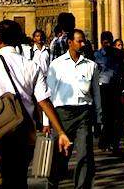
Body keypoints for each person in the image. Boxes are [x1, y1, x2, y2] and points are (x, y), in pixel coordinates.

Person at [0, 18, 71, 189]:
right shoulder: (31, 66)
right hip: (23, 130)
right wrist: (60, 131)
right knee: (19, 179)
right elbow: (44, 101)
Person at [46, 28, 102, 189]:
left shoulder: (91, 66)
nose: (82, 44)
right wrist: (46, 121)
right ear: (70, 42)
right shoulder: (57, 65)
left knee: (85, 154)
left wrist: (98, 117)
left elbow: (96, 94)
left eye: (84, 41)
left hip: (83, 112)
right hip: (62, 114)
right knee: (60, 155)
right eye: (79, 41)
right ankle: (52, 183)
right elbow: (48, 94)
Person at [93, 30, 124, 153]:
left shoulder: (118, 54)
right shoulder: (97, 55)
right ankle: (106, 141)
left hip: (116, 87)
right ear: (101, 42)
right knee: (106, 116)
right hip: (102, 88)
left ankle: (114, 142)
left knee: (118, 116)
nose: (107, 44)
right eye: (105, 42)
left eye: (109, 41)